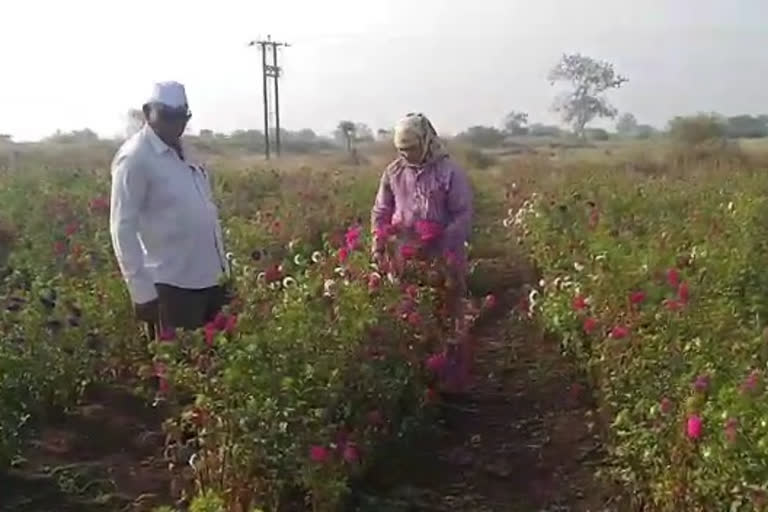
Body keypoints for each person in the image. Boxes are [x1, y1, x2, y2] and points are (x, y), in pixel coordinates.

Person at [110, 81, 229, 339]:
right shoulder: (135, 158)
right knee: (177, 370)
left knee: (213, 367)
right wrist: (141, 293)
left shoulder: (187, 151)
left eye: (181, 116)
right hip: (172, 287)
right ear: (147, 113)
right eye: (166, 116)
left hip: (211, 280)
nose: (175, 124)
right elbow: (123, 228)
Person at [371, 113, 473, 335]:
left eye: (412, 148)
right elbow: (381, 211)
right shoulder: (393, 173)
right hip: (403, 255)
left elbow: (462, 215)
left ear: (426, 141)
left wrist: (439, 246)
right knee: (408, 314)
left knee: (444, 313)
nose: (407, 155)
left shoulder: (449, 172)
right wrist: (379, 245)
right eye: (402, 150)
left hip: (442, 256)